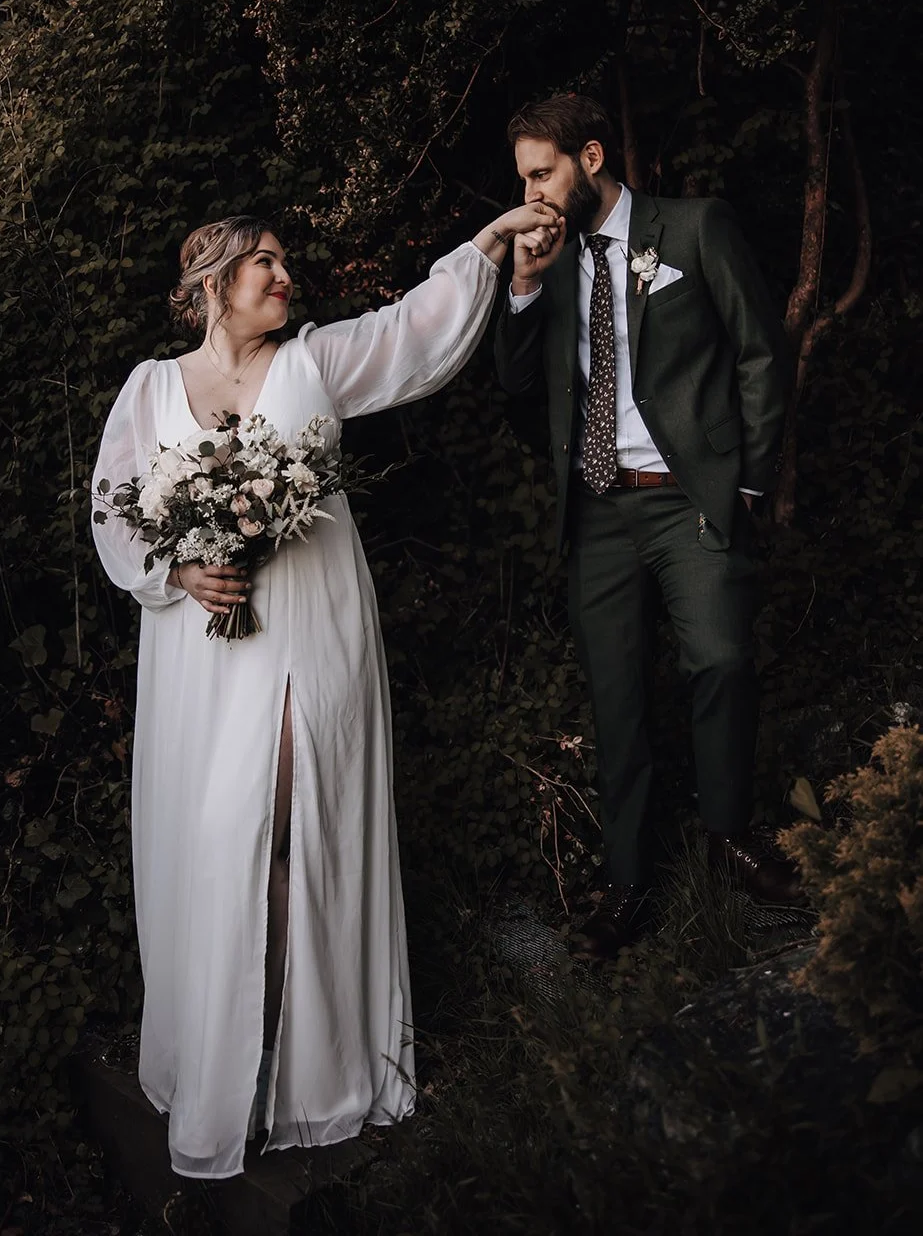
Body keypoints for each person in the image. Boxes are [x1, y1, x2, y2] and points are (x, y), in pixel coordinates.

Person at [91, 199, 562, 1179]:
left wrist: (484, 245)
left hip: (309, 636)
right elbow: (114, 512)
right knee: (222, 839)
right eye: (263, 262)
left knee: (301, 834)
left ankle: (311, 1080)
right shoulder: (149, 389)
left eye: (284, 261)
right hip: (203, 660)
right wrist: (179, 571)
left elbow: (414, 335)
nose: (283, 276)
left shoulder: (313, 363)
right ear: (212, 284)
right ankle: (228, 1080)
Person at [494, 93, 802, 960]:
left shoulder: (694, 227)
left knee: (721, 659)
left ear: (590, 157)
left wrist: (743, 484)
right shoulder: (545, 263)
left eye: (542, 172)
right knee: (616, 695)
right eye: (523, 179)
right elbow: (516, 391)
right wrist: (519, 279)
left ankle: (730, 838)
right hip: (595, 511)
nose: (534, 194)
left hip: (688, 495)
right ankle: (627, 879)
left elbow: (758, 353)